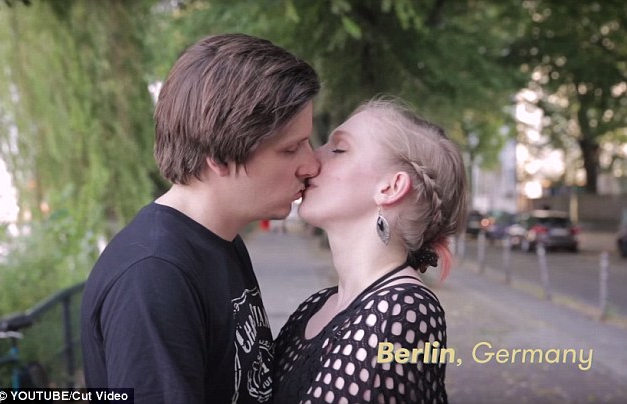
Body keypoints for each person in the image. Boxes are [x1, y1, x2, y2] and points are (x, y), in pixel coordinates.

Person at [81, 33, 320, 403]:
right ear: (220, 157)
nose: (311, 164)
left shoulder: (220, 241)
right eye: (290, 149)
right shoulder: (154, 277)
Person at [273, 98, 467, 403]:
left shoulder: (403, 311)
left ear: (390, 188)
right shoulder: (317, 306)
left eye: (339, 149)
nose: (311, 159)